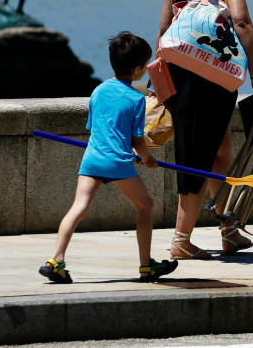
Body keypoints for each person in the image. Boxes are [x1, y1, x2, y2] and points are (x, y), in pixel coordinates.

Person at [155, 0, 253, 260]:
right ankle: (180, 240)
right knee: (197, 154)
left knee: (219, 148)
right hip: (212, 75)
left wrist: (160, 76)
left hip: (178, 70)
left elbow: (163, 28)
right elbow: (242, 22)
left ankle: (227, 228)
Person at [39, 32, 178, 283]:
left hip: (92, 158)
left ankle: (55, 260)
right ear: (137, 69)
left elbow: (96, 129)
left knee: (78, 208)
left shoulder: (98, 90)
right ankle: (146, 266)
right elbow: (137, 140)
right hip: (117, 162)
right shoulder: (137, 98)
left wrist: (131, 151)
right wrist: (146, 159)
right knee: (145, 206)